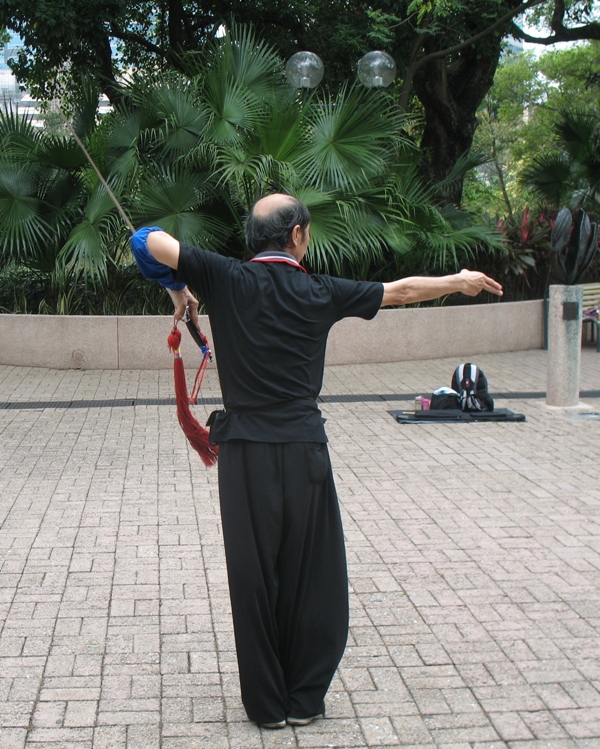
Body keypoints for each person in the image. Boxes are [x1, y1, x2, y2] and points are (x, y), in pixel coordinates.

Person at [131, 193, 502, 729]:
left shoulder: (225, 277)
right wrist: (457, 280)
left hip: (244, 457)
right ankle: (304, 698)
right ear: (299, 235)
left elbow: (145, 240)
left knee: (254, 580)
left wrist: (180, 288)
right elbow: (398, 292)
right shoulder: (319, 290)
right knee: (313, 574)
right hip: (305, 450)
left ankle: (266, 706)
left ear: (253, 237)